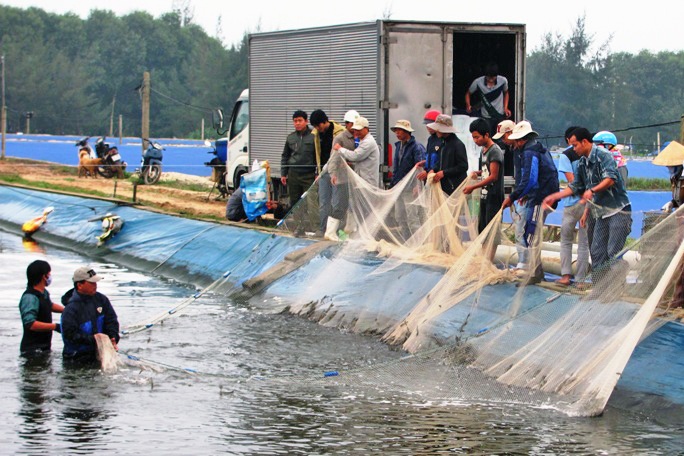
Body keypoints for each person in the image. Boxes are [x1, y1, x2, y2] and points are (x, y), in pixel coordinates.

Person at [543, 127, 632, 273]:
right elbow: (576, 186)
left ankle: (617, 287)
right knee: (597, 252)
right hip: (600, 213)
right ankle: (599, 290)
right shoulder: (582, 163)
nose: (573, 149)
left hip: (618, 211)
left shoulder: (603, 155)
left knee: (613, 253)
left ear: (584, 142)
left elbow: (610, 179)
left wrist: (592, 190)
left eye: (575, 145)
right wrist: (555, 196)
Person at [502, 121, 559, 284]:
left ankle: (533, 273)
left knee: (532, 233)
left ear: (522, 140)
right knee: (532, 232)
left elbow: (530, 179)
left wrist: (512, 197)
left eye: (518, 140)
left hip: (541, 198)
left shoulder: (530, 152)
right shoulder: (537, 148)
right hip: (543, 195)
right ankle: (536, 271)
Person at [61, 266, 120, 364]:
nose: (95, 285)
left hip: (99, 353)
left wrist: (113, 337)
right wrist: (95, 339)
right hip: (76, 359)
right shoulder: (70, 309)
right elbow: (70, 335)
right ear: (79, 285)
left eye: (95, 282)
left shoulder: (102, 299)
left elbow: (111, 320)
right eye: (91, 283)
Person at [556, 126, 589, 286]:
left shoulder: (566, 155)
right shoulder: (588, 154)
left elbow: (571, 180)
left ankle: (566, 276)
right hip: (587, 203)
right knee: (583, 243)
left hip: (572, 204)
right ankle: (581, 280)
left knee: (566, 240)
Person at [464, 118, 504, 233]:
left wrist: (473, 187)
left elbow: (493, 176)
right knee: (482, 228)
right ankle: (484, 251)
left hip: (494, 196)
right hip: (484, 195)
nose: (475, 140)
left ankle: (490, 251)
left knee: (491, 231)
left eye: (477, 137)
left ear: (486, 135)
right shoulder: (484, 150)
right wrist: (477, 173)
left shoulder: (494, 151)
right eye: (473, 137)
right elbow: (486, 171)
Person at [310, 109, 345, 235]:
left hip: (337, 172)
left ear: (325, 121)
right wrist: (318, 171)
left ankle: (336, 230)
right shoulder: (315, 134)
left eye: (318, 125)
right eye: (315, 126)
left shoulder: (339, 132)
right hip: (324, 171)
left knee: (336, 202)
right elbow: (316, 153)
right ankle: (323, 228)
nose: (317, 128)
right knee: (323, 201)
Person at [18, 260, 64, 357]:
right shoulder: (30, 297)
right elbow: (30, 324)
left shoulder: (43, 293)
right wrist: (55, 327)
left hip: (45, 346)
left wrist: (67, 311)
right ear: (44, 276)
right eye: (49, 273)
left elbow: (49, 305)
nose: (50, 276)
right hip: (31, 350)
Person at [423, 114, 469, 195]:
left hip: (454, 188)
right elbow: (441, 161)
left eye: (438, 128)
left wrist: (444, 173)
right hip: (444, 187)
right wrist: (434, 169)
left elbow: (463, 166)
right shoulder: (443, 143)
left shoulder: (457, 145)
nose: (436, 130)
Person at [332, 116, 380, 188]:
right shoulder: (363, 140)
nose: (356, 132)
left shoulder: (368, 142)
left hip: (367, 183)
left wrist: (340, 149)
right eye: (355, 130)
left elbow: (355, 156)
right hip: (363, 182)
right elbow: (362, 160)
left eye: (359, 130)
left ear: (366, 129)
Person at [280, 110, 316, 207]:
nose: (297, 123)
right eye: (295, 121)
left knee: (311, 202)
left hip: (309, 175)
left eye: (300, 120)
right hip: (293, 174)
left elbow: (318, 156)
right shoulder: (290, 137)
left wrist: (318, 173)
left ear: (306, 121)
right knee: (295, 203)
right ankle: (298, 222)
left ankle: (313, 222)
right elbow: (285, 156)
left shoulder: (314, 136)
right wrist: (283, 173)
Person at [465, 63, 511, 133]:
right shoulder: (478, 82)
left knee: (500, 139)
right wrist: (468, 105)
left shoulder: (503, 80)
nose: (491, 80)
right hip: (486, 117)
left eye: (493, 78)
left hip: (499, 115)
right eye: (489, 78)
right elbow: (468, 94)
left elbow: (506, 93)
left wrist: (505, 108)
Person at [389, 120, 426, 188]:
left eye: (400, 130)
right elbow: (396, 168)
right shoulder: (398, 146)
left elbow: (420, 168)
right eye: (396, 130)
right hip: (399, 185)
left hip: (411, 187)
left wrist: (418, 186)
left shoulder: (416, 147)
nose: (397, 133)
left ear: (407, 131)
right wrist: (392, 184)